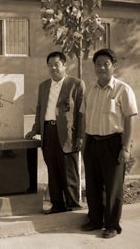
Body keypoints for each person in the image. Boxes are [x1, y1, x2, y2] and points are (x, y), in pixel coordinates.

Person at [80, 49, 138, 238]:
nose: (102, 67)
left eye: (106, 63)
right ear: (94, 66)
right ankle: (95, 220)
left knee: (113, 187)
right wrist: (83, 141)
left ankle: (112, 225)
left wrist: (126, 148)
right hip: (92, 143)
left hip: (113, 143)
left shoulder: (123, 89)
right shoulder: (90, 89)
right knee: (93, 184)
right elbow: (84, 116)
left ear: (114, 66)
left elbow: (130, 119)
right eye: (98, 64)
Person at [26, 51, 85, 214]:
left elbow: (81, 113)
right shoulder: (44, 86)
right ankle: (57, 204)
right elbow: (40, 109)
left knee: (69, 171)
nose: (53, 68)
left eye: (56, 64)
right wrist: (35, 129)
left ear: (64, 65)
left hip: (68, 134)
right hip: (48, 132)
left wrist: (81, 135)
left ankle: (73, 205)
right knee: (53, 170)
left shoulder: (76, 84)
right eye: (50, 65)